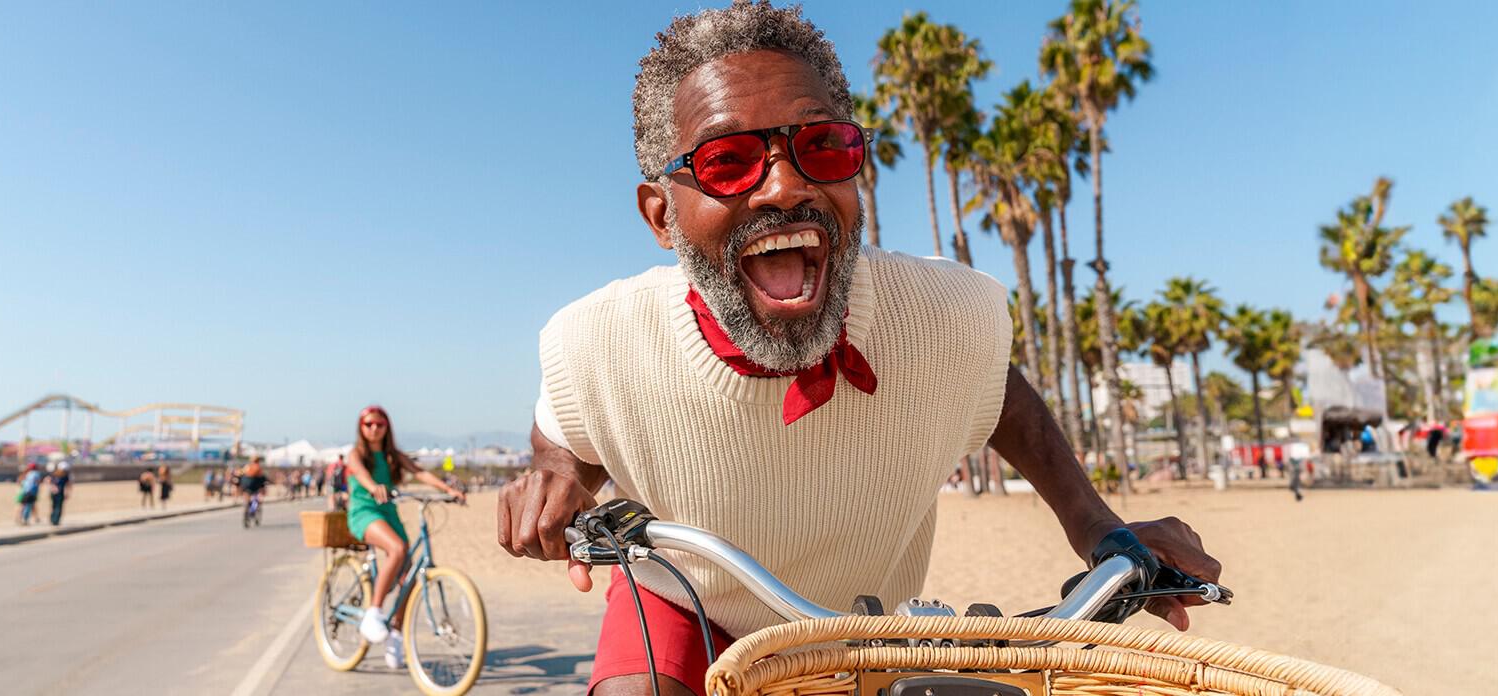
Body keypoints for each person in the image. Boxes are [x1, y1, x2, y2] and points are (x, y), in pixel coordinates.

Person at [493, 6, 1223, 694]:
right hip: (681, 601)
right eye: (727, 162)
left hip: (862, 619)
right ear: (661, 216)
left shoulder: (950, 315)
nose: (785, 186)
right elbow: (566, 433)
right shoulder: (597, 338)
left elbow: (997, 393)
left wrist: (1095, 525)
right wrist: (553, 479)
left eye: (821, 147)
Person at [345, 405, 468, 670]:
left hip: (389, 512)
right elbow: (361, 474)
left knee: (409, 577)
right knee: (398, 548)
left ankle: (396, 635)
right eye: (368, 425)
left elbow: (419, 472)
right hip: (364, 511)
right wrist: (373, 487)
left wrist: (448, 489)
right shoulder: (356, 454)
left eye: (379, 424)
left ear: (387, 427)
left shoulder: (392, 455)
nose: (374, 429)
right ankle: (374, 612)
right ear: (361, 428)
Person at [47, 461, 73, 526]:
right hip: (60, 492)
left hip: (53, 492)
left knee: (53, 506)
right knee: (58, 507)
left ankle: (53, 519)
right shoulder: (65, 476)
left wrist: (52, 488)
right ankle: (55, 520)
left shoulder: (54, 474)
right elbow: (68, 485)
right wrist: (67, 493)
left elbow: (48, 481)